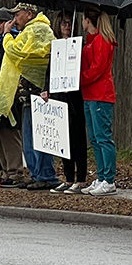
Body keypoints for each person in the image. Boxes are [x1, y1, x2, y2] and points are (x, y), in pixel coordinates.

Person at [0, 3, 58, 191]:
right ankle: (36, 174)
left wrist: (6, 35)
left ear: (29, 14)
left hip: (39, 91)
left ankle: (46, 174)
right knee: (29, 139)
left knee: (40, 137)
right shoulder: (28, 31)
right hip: (27, 94)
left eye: (17, 15)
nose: (14, 20)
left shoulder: (38, 30)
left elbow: (16, 52)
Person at [49, 12, 89, 194]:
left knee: (78, 139)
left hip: (76, 98)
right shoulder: (56, 46)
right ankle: (68, 178)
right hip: (60, 98)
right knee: (64, 139)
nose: (67, 26)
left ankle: (80, 179)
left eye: (70, 23)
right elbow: (50, 70)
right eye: (64, 23)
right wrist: (46, 89)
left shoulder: (79, 46)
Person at [0, 7, 26, 187]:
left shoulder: (14, 39)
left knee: (10, 133)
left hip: (10, 93)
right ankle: (5, 171)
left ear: (9, 23)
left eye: (1, 21)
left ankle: (15, 171)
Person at [81, 8, 118, 196]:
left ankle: (109, 179)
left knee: (103, 137)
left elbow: (97, 68)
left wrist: (79, 78)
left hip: (100, 94)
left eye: (83, 18)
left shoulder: (102, 41)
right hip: (89, 95)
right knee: (95, 138)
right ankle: (102, 175)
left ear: (88, 20)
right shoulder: (91, 41)